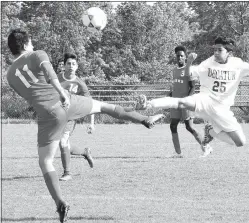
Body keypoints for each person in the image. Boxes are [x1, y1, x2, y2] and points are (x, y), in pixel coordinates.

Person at [6, 29, 164, 223]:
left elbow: (33, 92)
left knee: (46, 162)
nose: (32, 44)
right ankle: (144, 120)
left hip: (48, 115)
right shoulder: (38, 54)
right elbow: (50, 73)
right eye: (30, 41)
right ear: (25, 44)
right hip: (66, 101)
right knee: (104, 106)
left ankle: (59, 202)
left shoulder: (9, 75)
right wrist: (62, 94)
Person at [136, 36, 249, 157]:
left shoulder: (238, 64)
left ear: (229, 52)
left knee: (240, 142)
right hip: (206, 99)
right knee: (181, 102)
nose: (216, 52)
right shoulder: (208, 62)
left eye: (220, 50)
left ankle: (210, 130)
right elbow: (188, 74)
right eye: (215, 49)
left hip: (223, 109)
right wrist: (190, 62)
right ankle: (148, 104)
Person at [57, 56, 95, 181]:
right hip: (56, 117)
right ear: (64, 65)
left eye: (74, 64)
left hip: (71, 117)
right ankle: (85, 152)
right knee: (63, 144)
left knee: (63, 142)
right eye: (69, 63)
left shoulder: (80, 84)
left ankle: (67, 173)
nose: (71, 66)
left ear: (77, 66)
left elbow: (91, 103)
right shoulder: (56, 79)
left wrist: (92, 123)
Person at [168, 45, 206, 157]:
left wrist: (188, 99)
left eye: (181, 56)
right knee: (172, 125)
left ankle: (206, 146)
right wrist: (170, 95)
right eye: (177, 56)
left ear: (185, 57)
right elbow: (177, 87)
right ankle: (178, 153)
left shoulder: (189, 69)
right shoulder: (174, 70)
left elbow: (193, 87)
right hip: (175, 102)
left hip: (185, 102)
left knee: (189, 127)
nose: (179, 57)